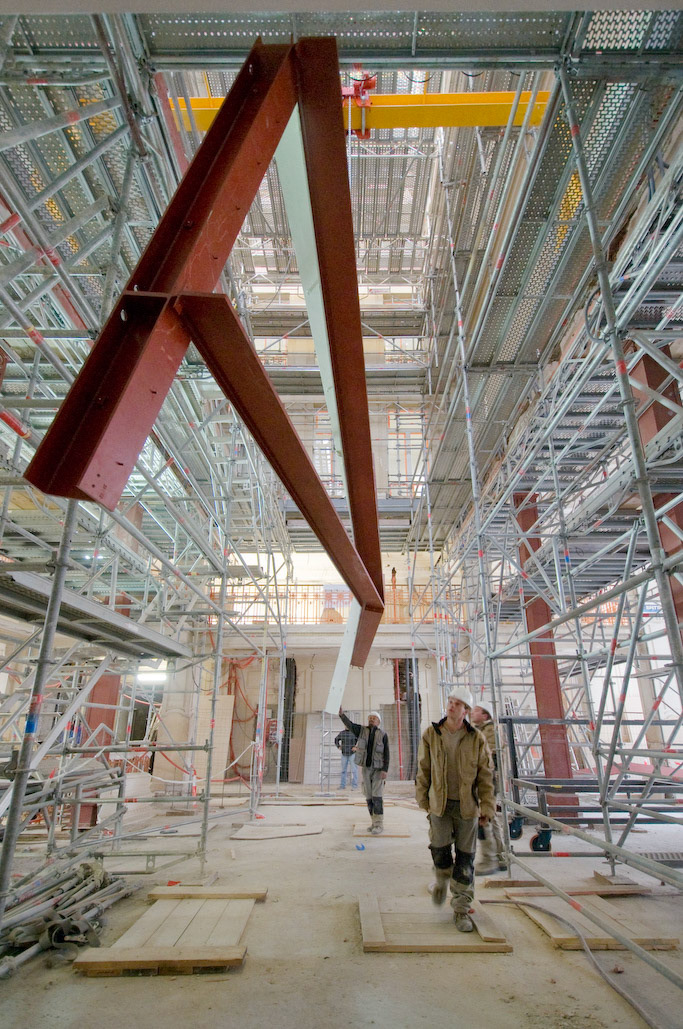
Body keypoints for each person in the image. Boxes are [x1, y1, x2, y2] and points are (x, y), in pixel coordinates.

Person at [415, 686, 495, 932]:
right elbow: (423, 768)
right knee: (439, 851)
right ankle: (441, 879)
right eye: (450, 701)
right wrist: (423, 799)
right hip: (439, 804)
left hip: (467, 808)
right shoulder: (432, 733)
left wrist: (487, 807)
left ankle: (461, 909)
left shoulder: (476, 739)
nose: (451, 706)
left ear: (466, 711)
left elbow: (485, 776)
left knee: (465, 860)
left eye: (457, 703)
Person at [338, 707, 390, 834]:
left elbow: (387, 753)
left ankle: (379, 824)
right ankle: (373, 822)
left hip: (378, 770)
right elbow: (349, 725)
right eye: (370, 718)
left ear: (379, 721)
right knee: (368, 796)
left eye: (374, 718)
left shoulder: (383, 735)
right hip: (366, 769)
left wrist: (385, 769)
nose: (372, 719)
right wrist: (341, 715)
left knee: (377, 796)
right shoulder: (361, 731)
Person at [471, 704, 506, 874]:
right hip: (487, 779)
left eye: (476, 710)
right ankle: (500, 855)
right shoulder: (480, 730)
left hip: (488, 780)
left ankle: (489, 859)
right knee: (490, 816)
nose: (472, 712)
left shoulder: (489, 731)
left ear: (485, 715)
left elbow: (488, 757)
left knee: (483, 816)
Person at [334, 725, 358, 790]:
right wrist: (338, 746)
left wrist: (356, 747)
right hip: (344, 754)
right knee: (343, 771)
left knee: (354, 770)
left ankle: (355, 786)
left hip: (352, 754)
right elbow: (336, 739)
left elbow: (360, 740)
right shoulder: (342, 733)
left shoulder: (354, 733)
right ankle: (342, 786)